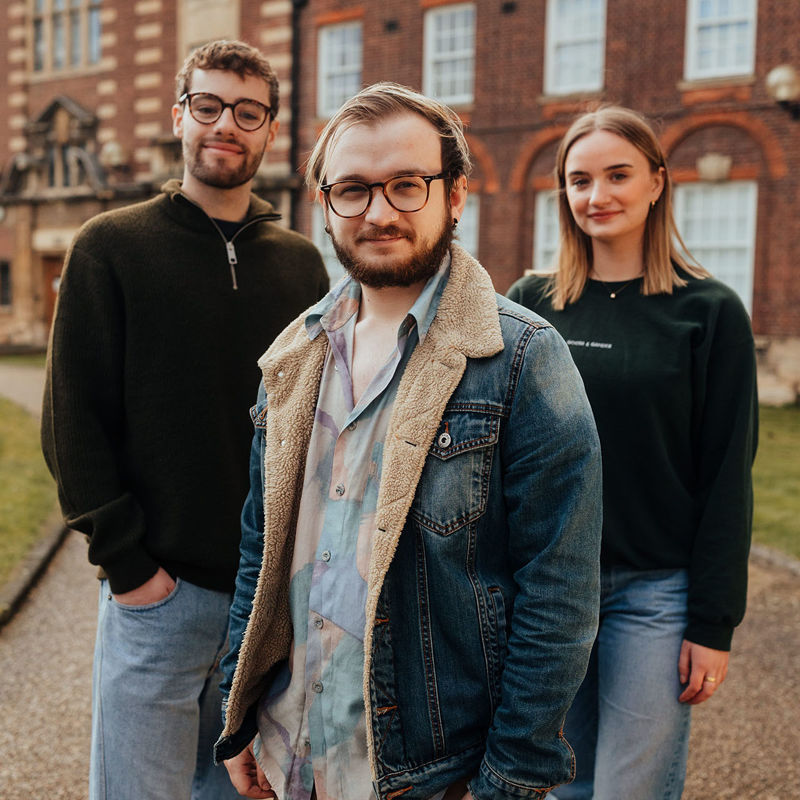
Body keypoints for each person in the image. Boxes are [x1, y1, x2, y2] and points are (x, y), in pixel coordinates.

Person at [213, 82, 603, 800]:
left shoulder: (521, 358)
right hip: (286, 755)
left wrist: (509, 780)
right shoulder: (294, 356)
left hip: (427, 776)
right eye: (353, 190)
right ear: (325, 206)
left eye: (406, 185)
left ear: (455, 195)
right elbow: (259, 553)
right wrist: (236, 717)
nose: (380, 212)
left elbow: (561, 595)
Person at [41, 40, 329, 800]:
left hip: (264, 604)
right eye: (208, 106)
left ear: (270, 130)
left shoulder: (302, 265)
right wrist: (133, 571)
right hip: (157, 598)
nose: (225, 125)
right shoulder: (112, 247)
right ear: (180, 116)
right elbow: (73, 424)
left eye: (247, 112)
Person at [507, 106, 758, 800]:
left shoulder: (707, 312)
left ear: (656, 181)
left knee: (633, 789)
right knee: (559, 785)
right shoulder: (531, 305)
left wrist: (712, 623)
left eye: (617, 175)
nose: (597, 196)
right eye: (579, 180)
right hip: (551, 588)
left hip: (655, 592)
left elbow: (726, 477)